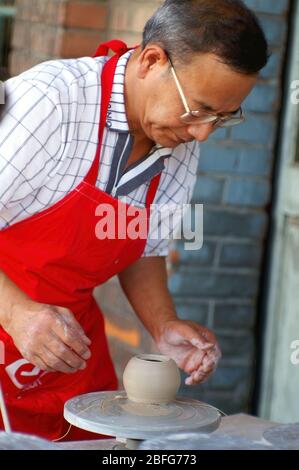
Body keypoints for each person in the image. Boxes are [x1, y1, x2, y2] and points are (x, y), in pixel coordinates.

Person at [0, 0, 268, 440]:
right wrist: (16, 313)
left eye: (222, 117)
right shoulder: (52, 102)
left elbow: (140, 245)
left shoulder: (179, 137)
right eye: (199, 108)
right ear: (151, 60)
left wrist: (163, 324)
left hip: (67, 348)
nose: (203, 133)